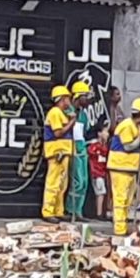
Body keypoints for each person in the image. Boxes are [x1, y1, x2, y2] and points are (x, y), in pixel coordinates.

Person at [109, 98, 140, 236]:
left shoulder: (136, 126)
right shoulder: (127, 125)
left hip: (130, 168)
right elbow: (128, 146)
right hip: (120, 167)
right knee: (120, 199)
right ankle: (119, 229)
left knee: (128, 200)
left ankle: (124, 225)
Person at [42, 85, 76, 223]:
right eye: (67, 98)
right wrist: (72, 122)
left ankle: (58, 210)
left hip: (64, 152)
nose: (69, 101)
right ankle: (48, 211)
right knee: (53, 183)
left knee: (62, 184)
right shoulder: (55, 112)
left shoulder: (62, 113)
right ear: (62, 99)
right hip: (57, 152)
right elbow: (58, 133)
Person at [65, 81, 92, 219]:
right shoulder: (68, 112)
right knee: (77, 181)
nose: (87, 99)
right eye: (85, 96)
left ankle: (78, 210)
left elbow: (84, 131)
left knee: (84, 182)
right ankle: (71, 209)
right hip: (72, 147)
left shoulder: (83, 115)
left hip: (82, 148)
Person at [88, 128, 110, 219]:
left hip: (103, 172)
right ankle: (99, 213)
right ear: (99, 133)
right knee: (101, 192)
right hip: (96, 172)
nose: (107, 134)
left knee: (103, 192)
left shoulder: (106, 147)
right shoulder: (94, 146)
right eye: (105, 132)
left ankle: (102, 212)